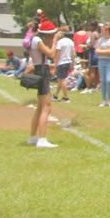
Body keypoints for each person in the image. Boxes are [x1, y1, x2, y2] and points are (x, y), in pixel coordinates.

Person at [26, 18, 59, 148]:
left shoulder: (35, 39)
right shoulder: (38, 41)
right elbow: (51, 54)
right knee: (46, 107)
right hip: (42, 72)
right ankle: (42, 139)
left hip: (40, 69)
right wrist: (55, 41)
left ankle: (33, 137)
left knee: (40, 107)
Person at [52, 25, 75, 103]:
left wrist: (55, 65)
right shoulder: (71, 42)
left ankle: (66, 97)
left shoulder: (60, 42)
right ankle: (55, 95)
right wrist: (72, 63)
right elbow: (73, 54)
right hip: (68, 62)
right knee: (60, 80)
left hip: (61, 62)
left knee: (62, 80)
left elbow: (58, 54)